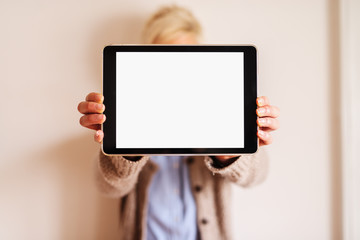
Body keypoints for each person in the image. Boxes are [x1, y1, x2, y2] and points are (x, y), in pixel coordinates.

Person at [78, 5, 280, 240]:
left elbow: (257, 175)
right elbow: (107, 187)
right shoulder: (122, 122)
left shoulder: (221, 114)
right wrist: (127, 152)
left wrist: (229, 153)